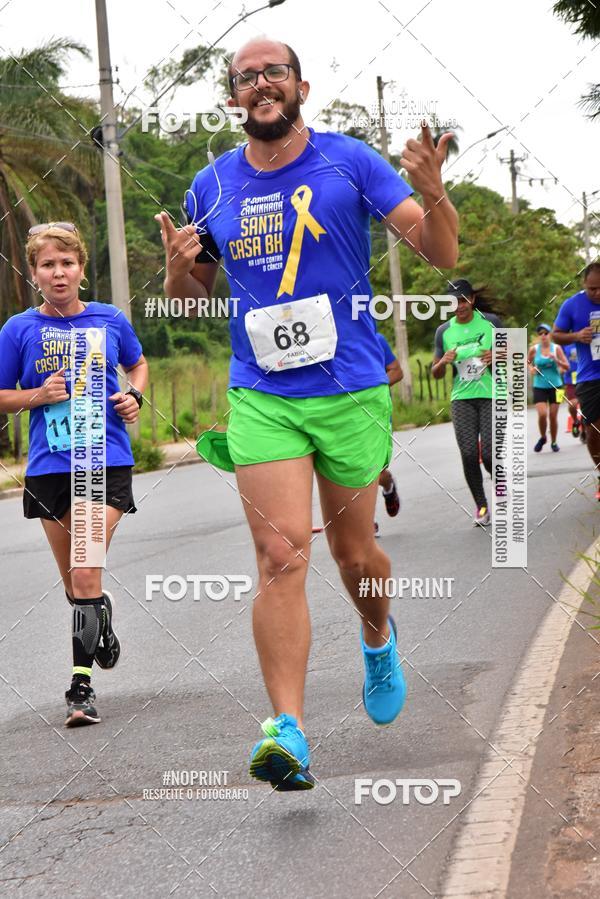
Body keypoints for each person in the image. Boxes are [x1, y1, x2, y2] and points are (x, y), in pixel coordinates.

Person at [156, 37, 458, 790]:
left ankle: (378, 634)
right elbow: (196, 300)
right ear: (233, 96)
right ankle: (286, 729)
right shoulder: (211, 186)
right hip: (261, 390)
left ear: (301, 86)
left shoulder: (349, 161)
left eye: (274, 72)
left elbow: (440, 255)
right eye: (246, 76)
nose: (261, 83)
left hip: (349, 385)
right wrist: (172, 271)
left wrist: (439, 192)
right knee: (281, 553)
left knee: (355, 558)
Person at [0, 224, 148, 726]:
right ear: (33, 272)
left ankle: (79, 688)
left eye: (67, 262)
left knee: (85, 568)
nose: (58, 272)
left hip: (104, 460)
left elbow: (139, 363)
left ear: (82, 269)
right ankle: (97, 618)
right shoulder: (18, 329)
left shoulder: (109, 318)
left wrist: (135, 396)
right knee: (76, 584)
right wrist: (38, 395)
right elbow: (2, 394)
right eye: (48, 264)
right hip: (48, 467)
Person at [431, 279, 502, 526]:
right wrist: (443, 362)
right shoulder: (443, 331)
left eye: (462, 300)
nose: (459, 306)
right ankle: (481, 505)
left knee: (490, 453)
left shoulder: (491, 323)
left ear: (471, 299)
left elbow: (513, 353)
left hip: (491, 394)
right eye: (453, 302)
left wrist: (497, 354)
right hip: (462, 399)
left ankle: (501, 488)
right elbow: (435, 372)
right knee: (469, 453)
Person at [553, 262, 600, 500]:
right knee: (594, 431)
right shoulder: (572, 305)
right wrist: (576, 336)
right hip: (590, 377)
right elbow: (555, 335)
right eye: (592, 289)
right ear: (584, 285)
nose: (597, 293)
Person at [374, 332, 402, 532]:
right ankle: (365, 521)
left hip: (376, 413)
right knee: (350, 470)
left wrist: (371, 387)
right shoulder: (325, 342)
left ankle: (388, 486)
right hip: (343, 415)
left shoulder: (375, 339)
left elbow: (397, 372)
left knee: (376, 471)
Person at [527, 323, 568, 452]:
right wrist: (532, 369)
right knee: (542, 414)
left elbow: (566, 366)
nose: (543, 336)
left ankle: (554, 442)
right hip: (539, 386)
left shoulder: (556, 349)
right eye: (540, 333)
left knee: (553, 415)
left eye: (545, 333)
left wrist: (556, 360)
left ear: (550, 334)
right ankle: (543, 437)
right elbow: (527, 362)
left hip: (557, 386)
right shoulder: (534, 349)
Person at [562, 342, 586, 440]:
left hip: (585, 376)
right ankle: (576, 421)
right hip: (570, 379)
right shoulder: (564, 344)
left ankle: (584, 431)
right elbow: (560, 358)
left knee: (585, 406)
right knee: (573, 404)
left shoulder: (584, 340)